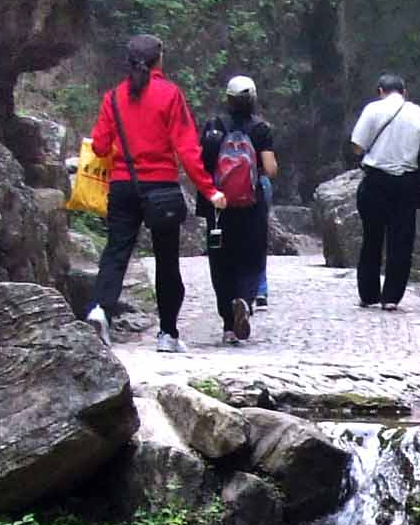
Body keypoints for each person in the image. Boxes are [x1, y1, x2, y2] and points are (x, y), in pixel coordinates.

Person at [86, 35, 218, 355]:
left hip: (121, 186)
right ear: (159, 60)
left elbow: (100, 146)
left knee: (117, 250)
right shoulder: (170, 95)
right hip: (161, 188)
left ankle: (100, 310)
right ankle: (168, 334)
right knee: (166, 260)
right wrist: (209, 189)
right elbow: (187, 149)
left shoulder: (113, 98)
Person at [347, 70, 420, 310]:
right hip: (405, 183)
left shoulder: (373, 109)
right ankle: (392, 297)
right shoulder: (418, 113)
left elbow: (356, 146)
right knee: (401, 241)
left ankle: (368, 294)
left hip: (375, 181)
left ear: (380, 91)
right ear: (405, 92)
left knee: (371, 238)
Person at [202, 74, 277, 344]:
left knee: (221, 262)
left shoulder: (214, 126)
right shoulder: (260, 129)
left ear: (228, 99)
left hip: (218, 205)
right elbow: (269, 169)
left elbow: (203, 164)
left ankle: (227, 324)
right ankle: (244, 300)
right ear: (253, 99)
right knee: (251, 256)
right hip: (250, 204)